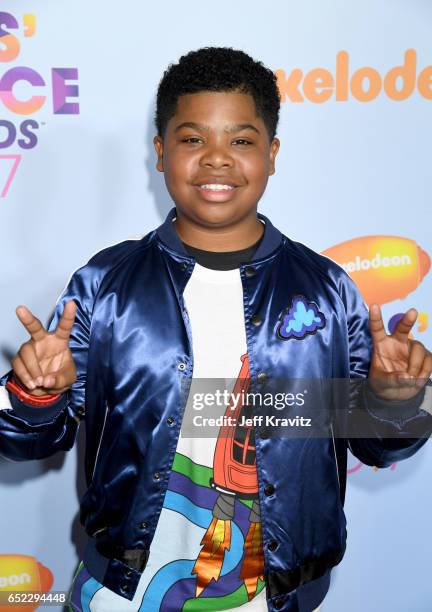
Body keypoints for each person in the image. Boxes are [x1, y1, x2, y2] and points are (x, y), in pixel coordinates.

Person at [1, 47, 431, 612]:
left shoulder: (326, 289)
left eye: (242, 140)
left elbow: (377, 446)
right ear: (160, 153)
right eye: (193, 139)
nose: (217, 159)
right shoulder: (106, 284)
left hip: (279, 595)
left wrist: (395, 402)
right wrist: (39, 395)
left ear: (272, 154)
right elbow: (27, 440)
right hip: (123, 592)